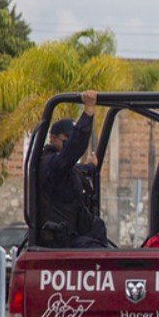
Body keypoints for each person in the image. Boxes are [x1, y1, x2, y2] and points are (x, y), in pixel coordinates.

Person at [36, 90, 108, 248]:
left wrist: (91, 167)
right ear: (53, 138)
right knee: (97, 251)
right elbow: (70, 154)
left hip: (73, 232)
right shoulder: (49, 164)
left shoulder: (62, 166)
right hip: (59, 240)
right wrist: (88, 113)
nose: (68, 145)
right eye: (65, 140)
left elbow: (75, 169)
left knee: (98, 225)